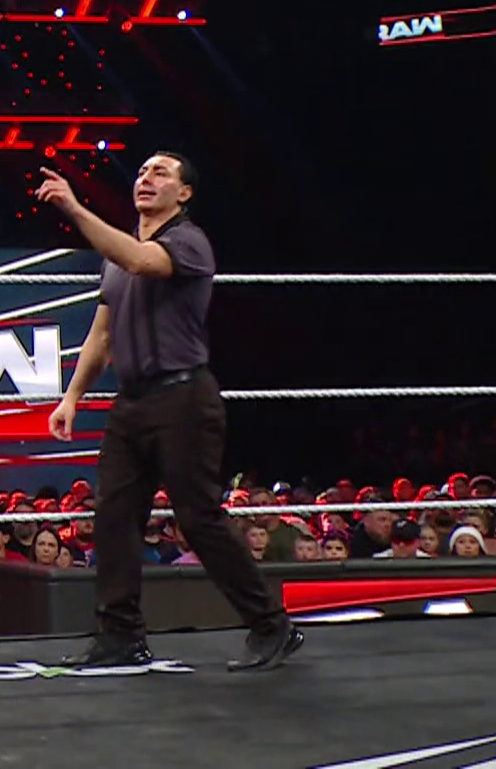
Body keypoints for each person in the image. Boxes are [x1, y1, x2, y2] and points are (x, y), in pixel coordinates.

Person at [41, 153, 301, 671]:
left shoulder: (188, 242)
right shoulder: (117, 254)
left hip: (183, 396)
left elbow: (144, 262)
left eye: (160, 172)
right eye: (141, 171)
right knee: (114, 515)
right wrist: (71, 397)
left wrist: (74, 208)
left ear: (184, 193)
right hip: (131, 401)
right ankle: (119, 635)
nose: (146, 178)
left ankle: (271, 624)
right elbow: (102, 335)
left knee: (197, 517)